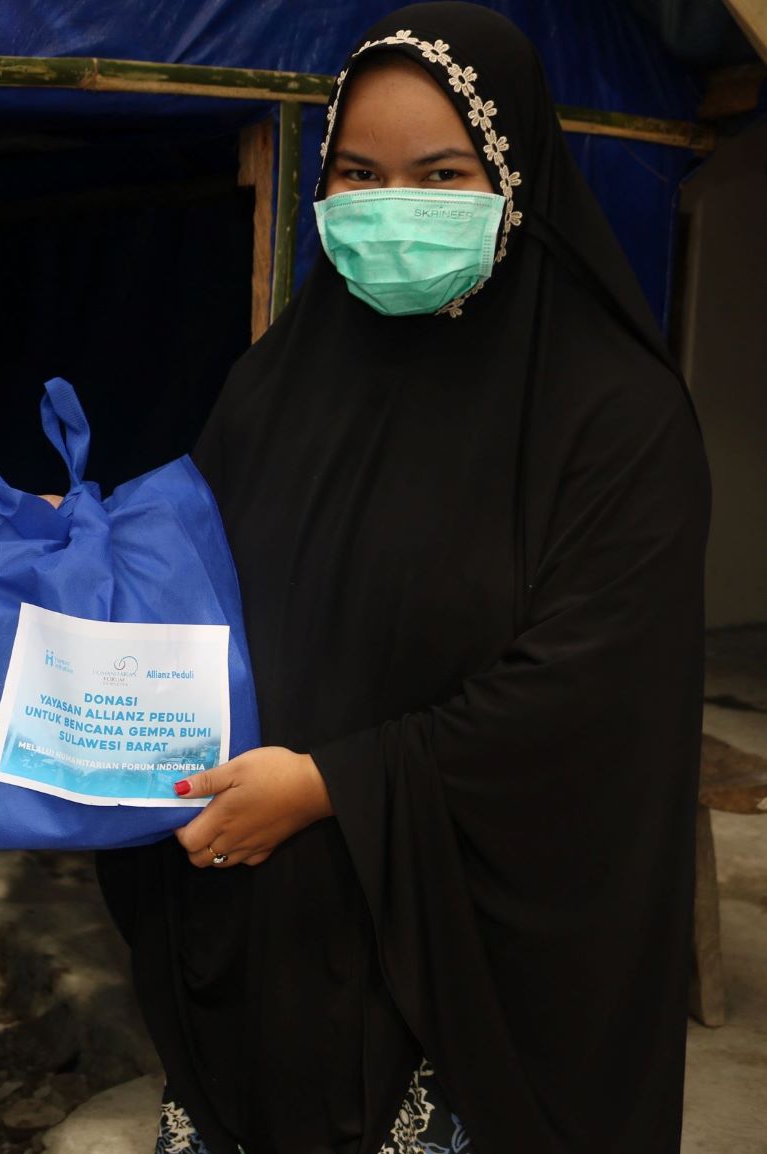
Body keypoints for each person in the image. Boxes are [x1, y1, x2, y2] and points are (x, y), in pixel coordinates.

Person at [96, 5, 708, 1153]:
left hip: (468, 993)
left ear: (514, 179)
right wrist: (84, 551)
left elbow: (586, 705)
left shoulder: (614, 419)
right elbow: (190, 581)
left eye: (439, 174)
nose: (392, 207)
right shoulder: (276, 389)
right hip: (271, 955)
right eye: (357, 174)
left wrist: (331, 784)